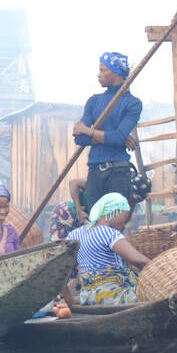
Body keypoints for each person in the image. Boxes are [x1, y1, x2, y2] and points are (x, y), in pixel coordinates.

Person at [71, 52, 143, 218]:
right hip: (95, 171)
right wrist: (114, 138)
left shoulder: (132, 103)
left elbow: (115, 137)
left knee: (115, 223)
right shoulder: (94, 101)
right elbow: (79, 138)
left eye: (103, 70)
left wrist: (88, 130)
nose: (99, 74)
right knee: (93, 220)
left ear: (116, 73)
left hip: (118, 172)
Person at [61, 192, 151, 306]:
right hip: (114, 296)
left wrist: (69, 299)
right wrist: (155, 265)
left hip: (88, 297)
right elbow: (135, 258)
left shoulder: (74, 235)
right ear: (114, 212)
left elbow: (59, 269)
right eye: (124, 216)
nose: (124, 222)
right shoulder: (109, 233)